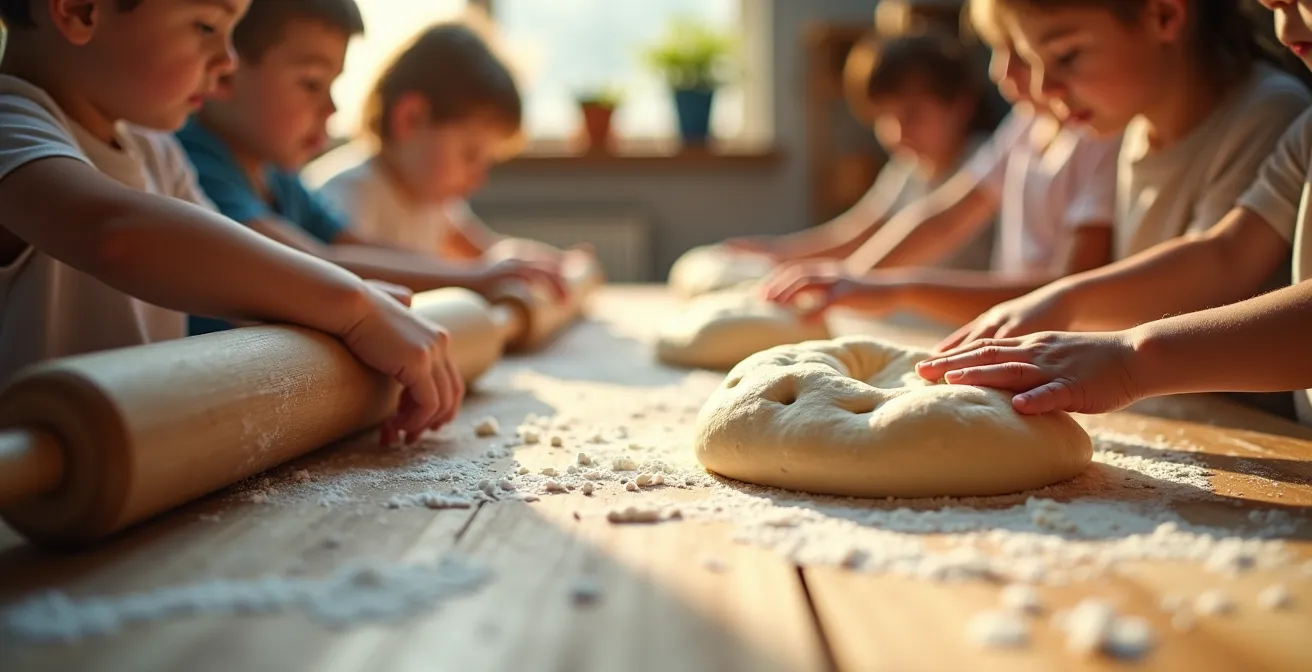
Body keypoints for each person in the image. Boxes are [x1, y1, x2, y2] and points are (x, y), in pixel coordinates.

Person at [0, 0, 463, 444]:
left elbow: (235, 270)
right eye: (206, 26)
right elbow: (116, 235)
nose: (227, 62)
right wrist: (354, 305)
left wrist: (352, 301)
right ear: (81, 8)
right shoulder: (10, 127)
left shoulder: (155, 150)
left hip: (133, 459)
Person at [915, 0, 1312, 428]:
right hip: (1185, 421)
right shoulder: (1137, 133)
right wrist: (1063, 302)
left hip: (1256, 432)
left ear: (1163, 15)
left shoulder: (1271, 110)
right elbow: (1225, 253)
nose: (1044, 87)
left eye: (1067, 56)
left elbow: (1223, 272)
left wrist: (1125, 353)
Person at [176, 0, 565, 335]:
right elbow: (317, 265)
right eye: (311, 84)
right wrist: (476, 278)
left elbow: (351, 248)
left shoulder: (281, 180)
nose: (331, 108)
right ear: (224, 71)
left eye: (333, 86)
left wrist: (487, 272)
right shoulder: (194, 165)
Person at [762, 0, 1122, 327]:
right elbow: (942, 218)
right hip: (1013, 332)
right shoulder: (1025, 125)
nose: (999, 72)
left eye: (1023, 52)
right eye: (998, 49)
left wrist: (896, 288)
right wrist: (850, 280)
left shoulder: (1101, 135)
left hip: (1051, 345)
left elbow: (1073, 289)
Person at [723, 29, 1001, 271]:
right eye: (883, 117)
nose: (897, 133)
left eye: (913, 114)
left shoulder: (986, 163)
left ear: (962, 104)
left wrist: (851, 279)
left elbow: (938, 228)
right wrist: (777, 254)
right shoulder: (908, 168)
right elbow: (859, 231)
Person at [306, 20, 571, 264]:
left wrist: (547, 262)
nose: (478, 179)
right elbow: (343, 272)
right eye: (470, 155)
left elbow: (489, 254)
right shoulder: (345, 195)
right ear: (411, 119)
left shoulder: (436, 203)